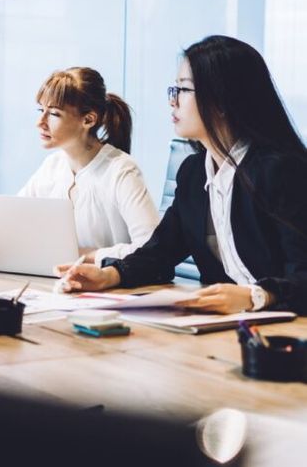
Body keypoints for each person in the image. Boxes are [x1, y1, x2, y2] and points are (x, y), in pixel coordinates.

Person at [57, 36, 307, 316]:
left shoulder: (282, 171)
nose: (172, 101)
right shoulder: (194, 172)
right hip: (227, 327)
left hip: (287, 334)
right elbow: (160, 253)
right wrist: (110, 275)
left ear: (222, 99)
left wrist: (256, 297)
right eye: (173, 90)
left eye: (183, 90)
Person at [20, 67, 159, 264]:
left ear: (88, 119)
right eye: (41, 110)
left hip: (113, 289)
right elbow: (15, 224)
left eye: (53, 114)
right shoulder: (52, 166)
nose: (40, 122)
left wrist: (84, 255)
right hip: (60, 283)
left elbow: (152, 248)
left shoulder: (121, 171)